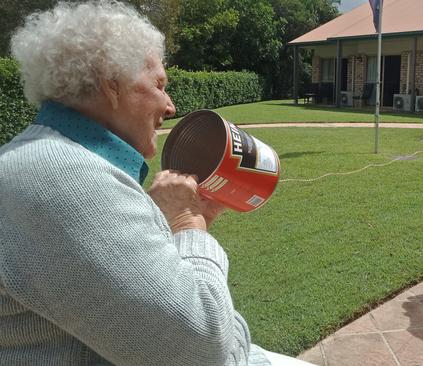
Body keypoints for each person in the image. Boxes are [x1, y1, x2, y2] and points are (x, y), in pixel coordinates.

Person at [0, 2, 313, 365]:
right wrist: (186, 225)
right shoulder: (65, 180)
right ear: (111, 85)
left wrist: (191, 221)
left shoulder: (47, 158)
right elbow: (204, 351)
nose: (170, 106)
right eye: (160, 85)